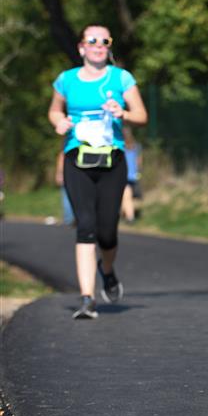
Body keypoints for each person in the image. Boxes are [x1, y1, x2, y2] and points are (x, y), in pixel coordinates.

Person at [48, 24, 147, 319]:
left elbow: (142, 115)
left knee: (106, 232)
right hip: (76, 158)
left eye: (105, 40)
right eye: (92, 40)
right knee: (85, 225)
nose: (99, 45)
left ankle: (108, 270)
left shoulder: (121, 78)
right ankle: (87, 299)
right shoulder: (66, 80)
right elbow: (54, 110)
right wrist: (59, 122)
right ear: (81, 47)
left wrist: (123, 113)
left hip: (111, 161)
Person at [121, 126, 142, 223]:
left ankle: (130, 217)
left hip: (123, 174)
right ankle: (126, 214)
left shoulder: (120, 146)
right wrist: (138, 171)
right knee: (127, 196)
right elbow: (139, 161)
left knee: (126, 196)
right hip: (133, 175)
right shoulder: (136, 146)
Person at [55, 149, 75, 226]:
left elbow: (62, 155)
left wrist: (59, 173)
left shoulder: (69, 144)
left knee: (67, 196)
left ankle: (69, 220)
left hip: (69, 172)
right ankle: (71, 219)